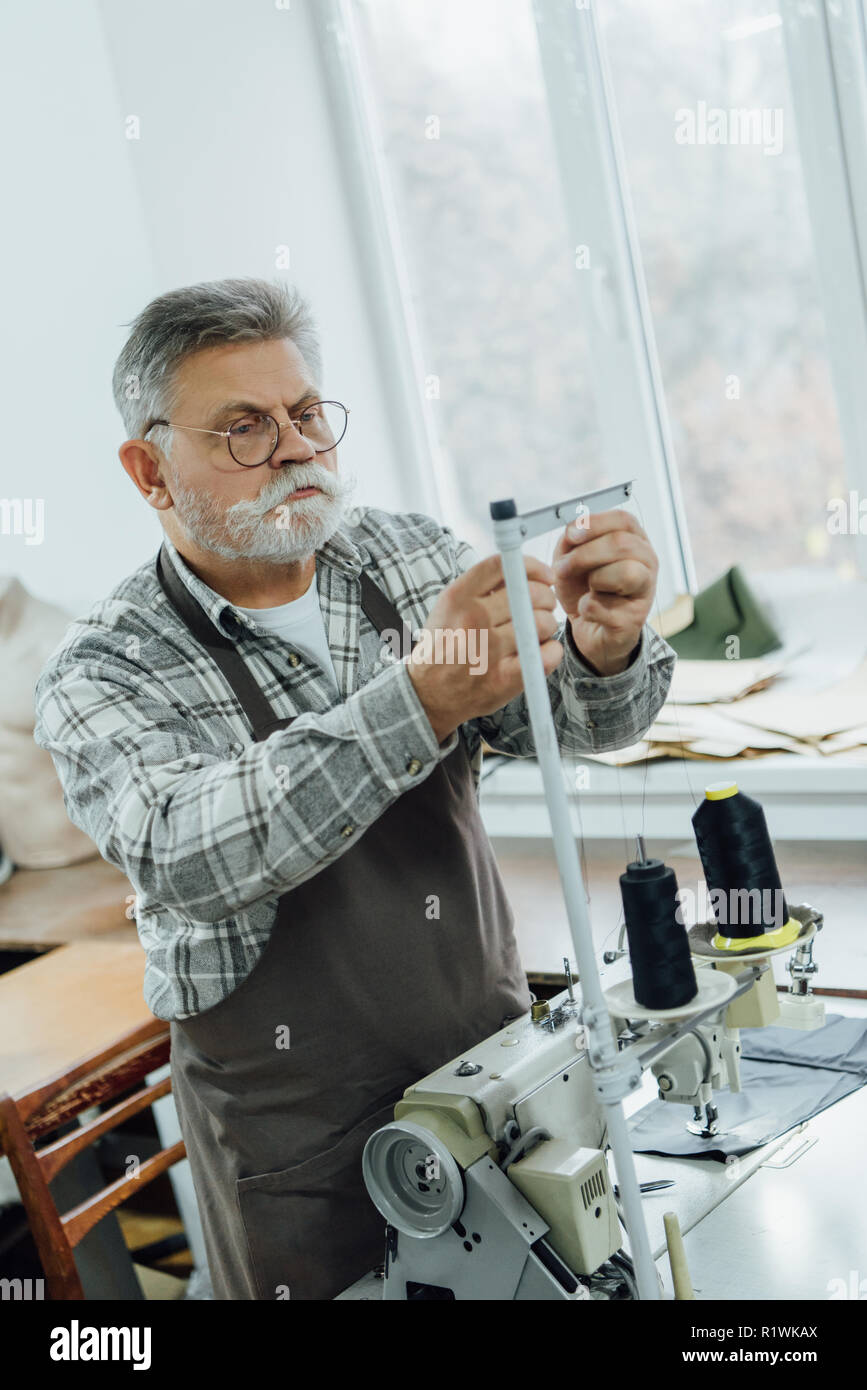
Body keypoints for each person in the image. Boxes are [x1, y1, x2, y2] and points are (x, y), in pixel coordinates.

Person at [34, 277, 676, 1299]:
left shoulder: (408, 557)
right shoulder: (106, 670)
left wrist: (607, 647)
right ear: (149, 470)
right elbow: (189, 852)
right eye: (243, 428)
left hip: (490, 1077)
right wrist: (418, 696)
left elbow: (576, 727)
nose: (292, 449)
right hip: (300, 1150)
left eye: (303, 415)